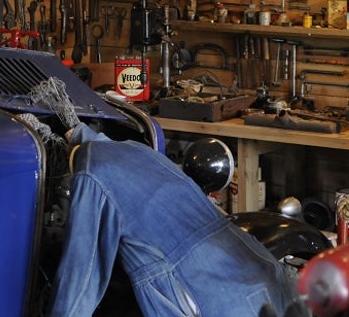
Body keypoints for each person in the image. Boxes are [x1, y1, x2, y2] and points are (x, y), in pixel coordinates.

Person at [48, 122, 302, 316]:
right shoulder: (137, 150)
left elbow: (81, 275)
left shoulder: (92, 173)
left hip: (207, 294)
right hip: (261, 273)